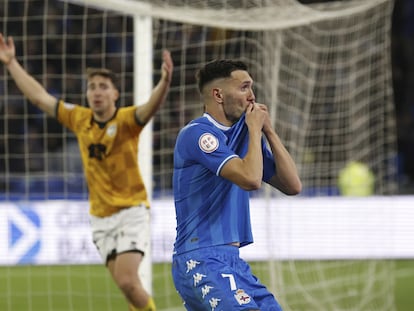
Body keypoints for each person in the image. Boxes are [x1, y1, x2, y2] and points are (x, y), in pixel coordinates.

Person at [0, 33, 173, 311]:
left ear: (115, 94)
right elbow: (39, 97)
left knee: (129, 281)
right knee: (126, 287)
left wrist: (164, 82)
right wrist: (11, 63)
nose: (96, 91)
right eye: (92, 86)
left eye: (103, 86)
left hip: (132, 210)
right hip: (100, 218)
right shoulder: (79, 118)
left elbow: (150, 108)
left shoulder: (127, 120)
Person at [171, 59, 302, 311]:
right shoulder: (198, 134)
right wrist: (254, 131)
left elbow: (292, 185)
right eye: (244, 88)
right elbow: (251, 180)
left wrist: (269, 132)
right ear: (218, 94)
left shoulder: (246, 137)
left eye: (251, 88)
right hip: (201, 258)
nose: (252, 97)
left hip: (231, 261)